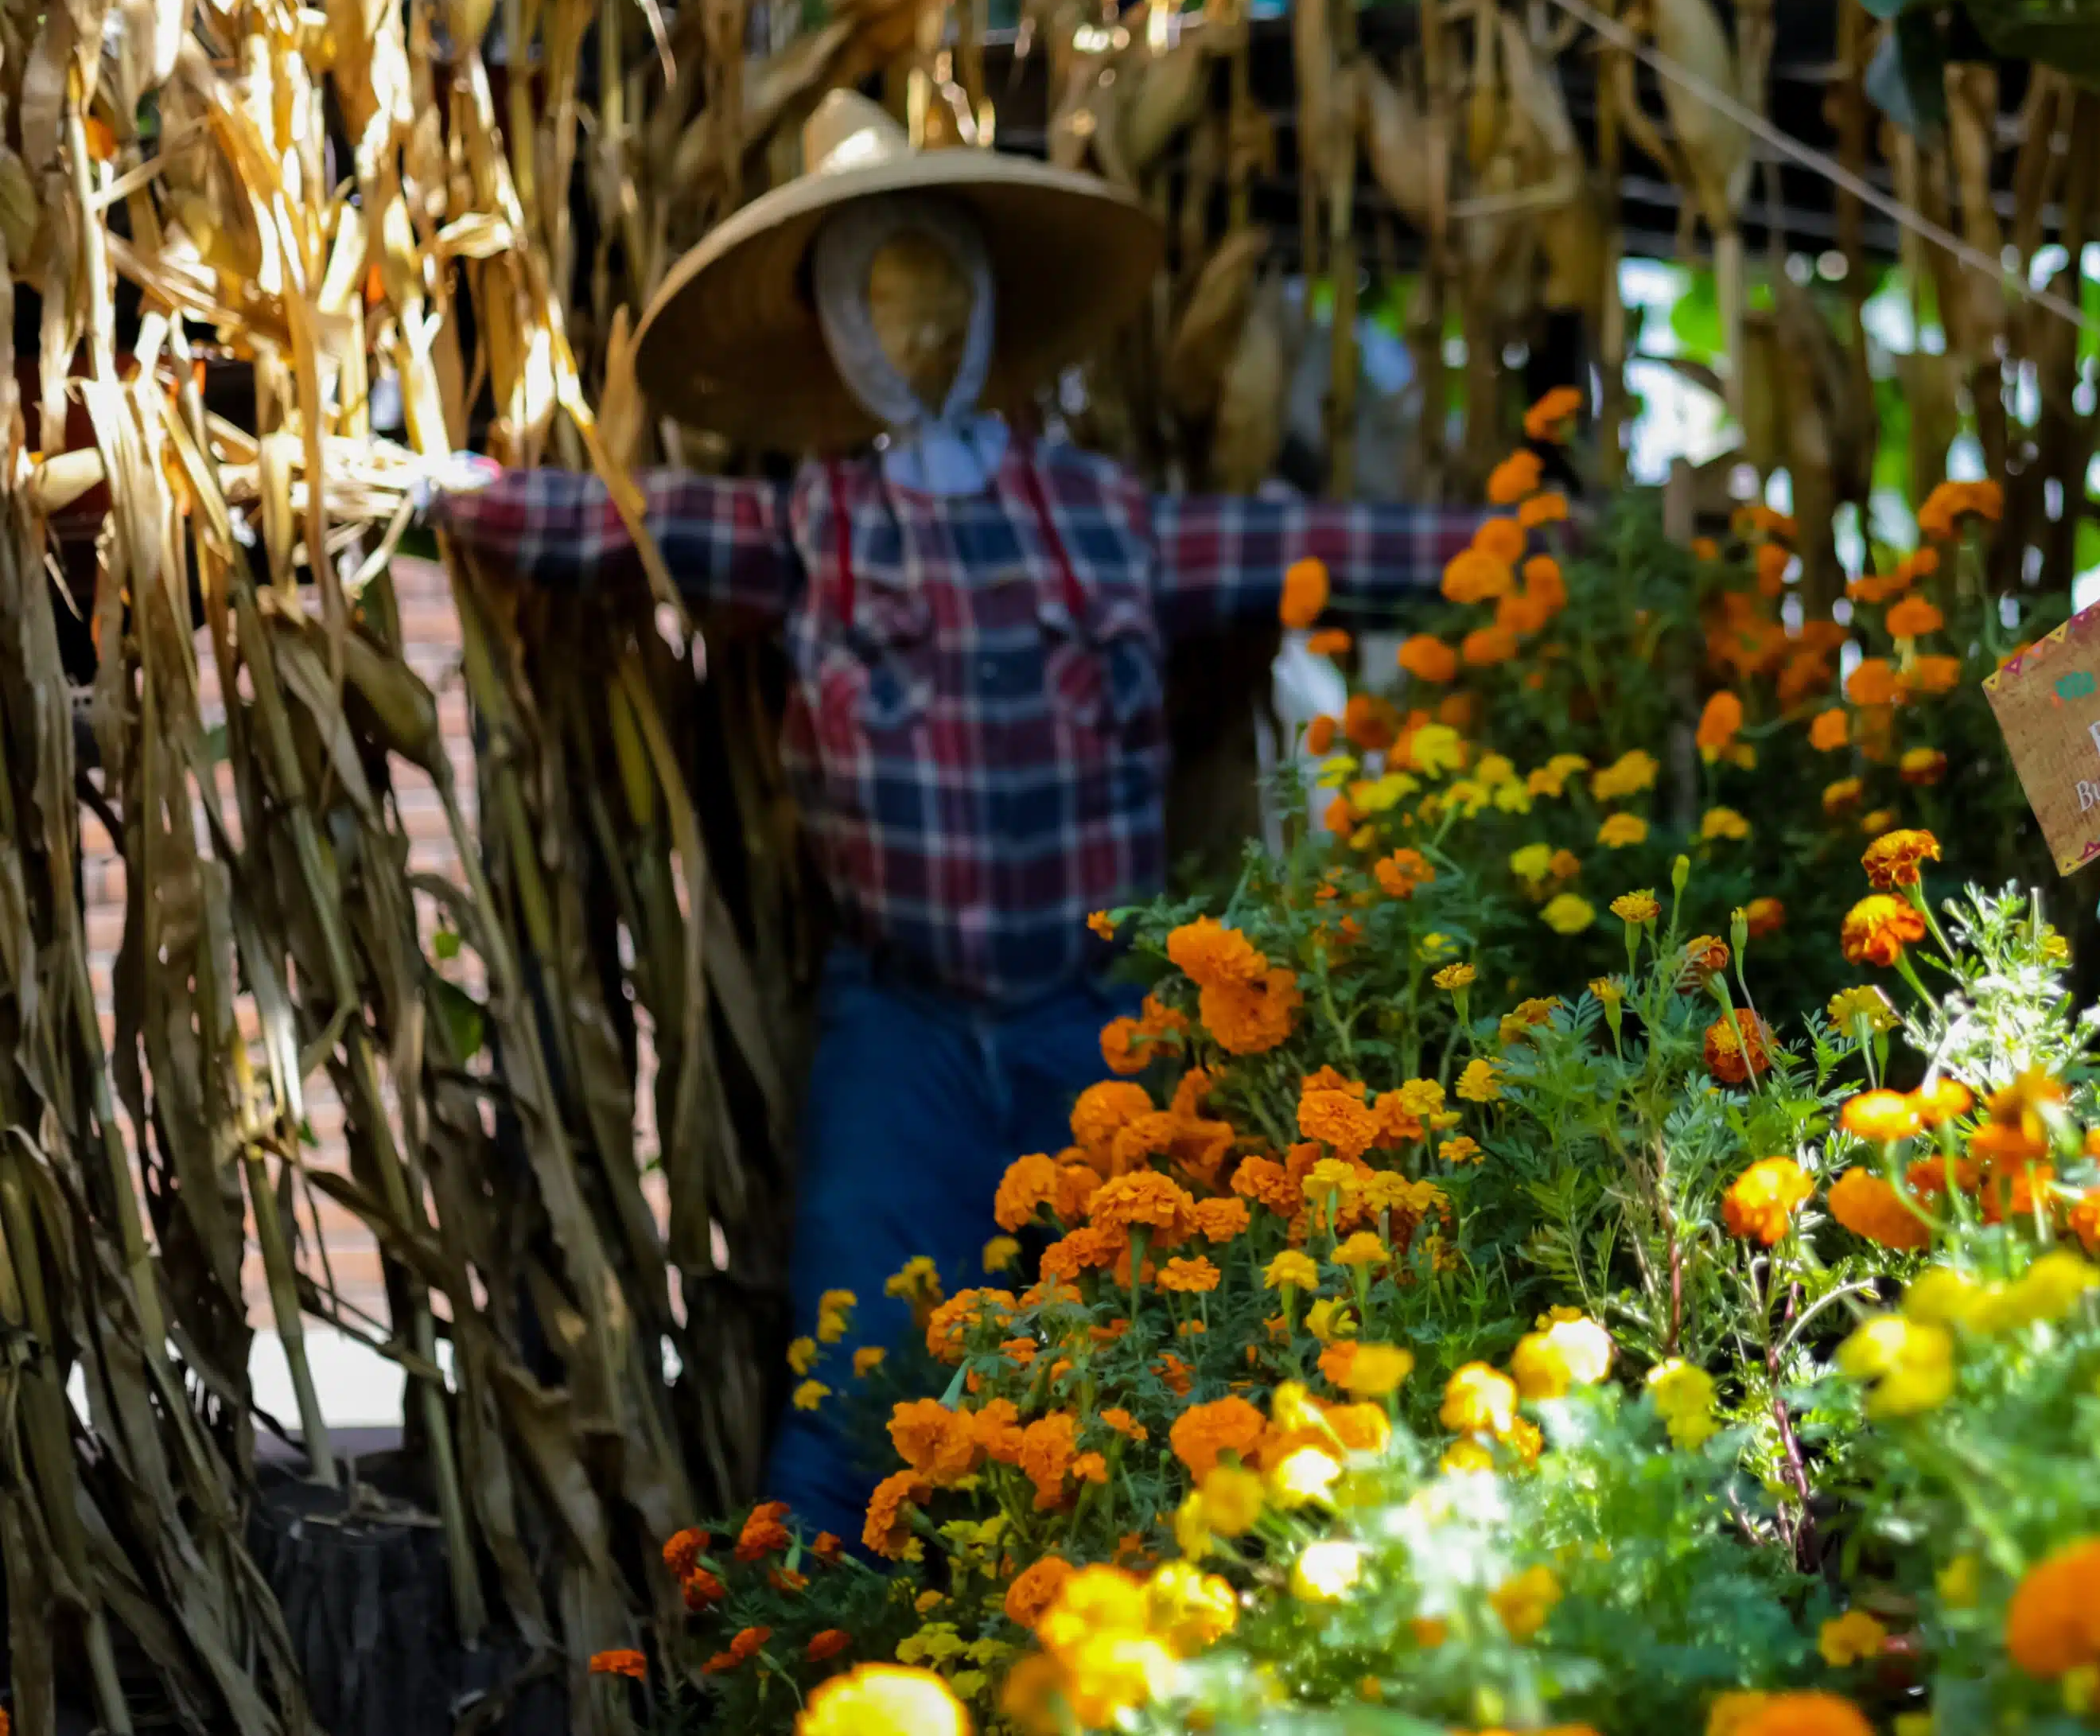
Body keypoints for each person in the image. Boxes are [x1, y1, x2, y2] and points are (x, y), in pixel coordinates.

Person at [421, 93, 1495, 1531]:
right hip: (906, 1025)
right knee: (855, 1403)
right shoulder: (811, 530)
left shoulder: (1106, 517)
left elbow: (1326, 550)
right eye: (880, 293)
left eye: (937, 285)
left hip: (1099, 1013)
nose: (915, 325)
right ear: (832, 336)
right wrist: (427, 488)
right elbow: (607, 520)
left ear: (989, 307)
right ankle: (802, 1658)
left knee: (1147, 1372)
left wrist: (1544, 550)